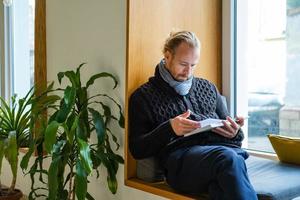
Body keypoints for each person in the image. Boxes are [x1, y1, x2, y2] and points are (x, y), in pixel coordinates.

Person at [129, 31, 257, 200]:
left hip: (220, 155)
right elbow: (137, 149)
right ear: (167, 56)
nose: (188, 71)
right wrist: (170, 128)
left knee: (221, 186)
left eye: (193, 65)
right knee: (228, 159)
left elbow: (230, 128)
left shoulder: (208, 88)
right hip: (181, 163)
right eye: (183, 63)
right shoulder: (143, 96)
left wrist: (235, 132)